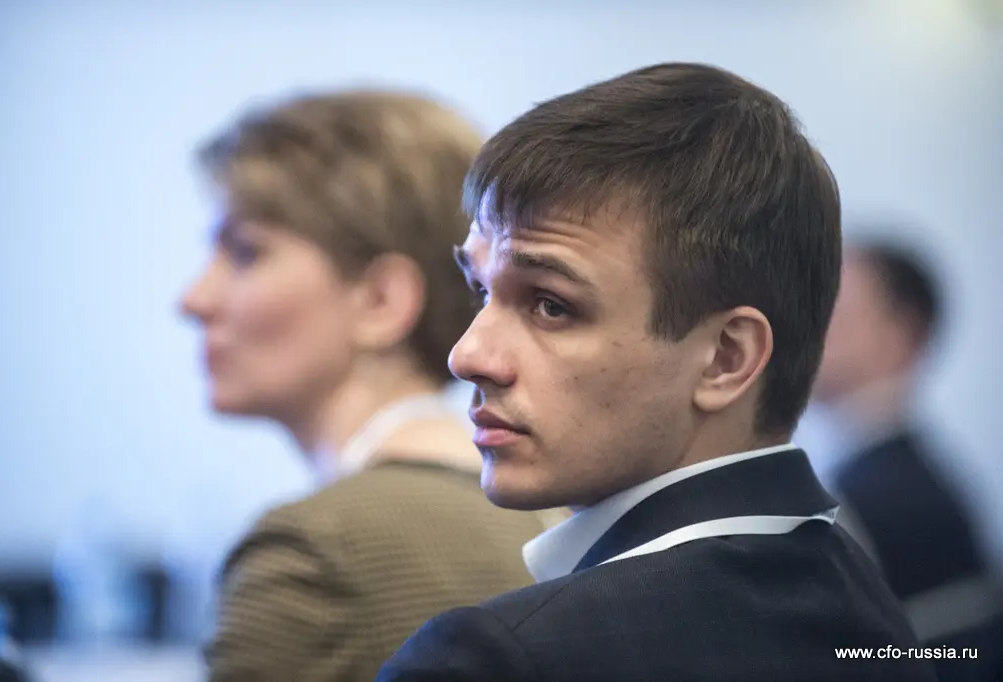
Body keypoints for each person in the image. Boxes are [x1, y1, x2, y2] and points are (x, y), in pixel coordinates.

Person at [376, 63, 935, 681]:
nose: (467, 356)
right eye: (480, 290)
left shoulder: (496, 659)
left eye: (551, 305)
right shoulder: (876, 613)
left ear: (726, 358)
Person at [180, 90, 549, 682]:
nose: (194, 299)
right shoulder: (550, 519)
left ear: (380, 300)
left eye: (245, 253)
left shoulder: (310, 553)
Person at [810, 237, 1002, 682]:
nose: (807, 329)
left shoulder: (865, 503)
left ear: (900, 332)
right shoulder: (930, 482)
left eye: (833, 311)